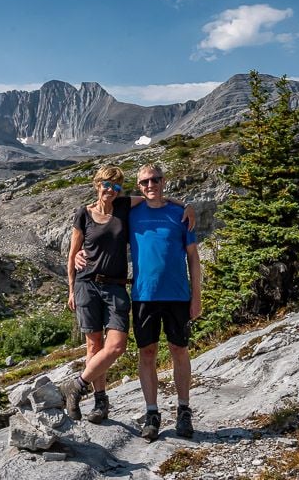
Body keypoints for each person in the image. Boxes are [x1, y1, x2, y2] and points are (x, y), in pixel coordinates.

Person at [60, 165, 194, 424]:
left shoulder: (123, 207)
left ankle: (76, 385)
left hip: (116, 286)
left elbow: (154, 198)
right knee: (93, 345)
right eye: (106, 184)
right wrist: (71, 287)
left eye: (116, 186)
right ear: (97, 184)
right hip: (87, 284)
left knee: (117, 346)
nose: (110, 190)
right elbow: (72, 253)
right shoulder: (83, 214)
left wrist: (187, 204)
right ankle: (100, 402)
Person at [130, 164, 201, 441]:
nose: (151, 185)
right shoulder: (131, 213)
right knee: (146, 353)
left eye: (155, 180)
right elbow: (100, 206)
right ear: (139, 186)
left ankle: (184, 411)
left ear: (163, 181)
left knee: (178, 350)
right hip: (144, 296)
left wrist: (197, 297)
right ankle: (151, 413)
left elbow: (193, 258)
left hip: (177, 295)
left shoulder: (180, 215)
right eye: (145, 182)